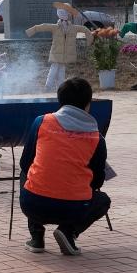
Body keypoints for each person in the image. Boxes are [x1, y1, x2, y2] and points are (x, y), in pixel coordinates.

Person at [19, 78, 110, 256]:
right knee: (103, 200)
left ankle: (36, 236)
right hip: (74, 209)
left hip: (33, 205)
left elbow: (25, 162)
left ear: (60, 101)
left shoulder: (41, 122)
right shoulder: (96, 137)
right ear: (87, 104)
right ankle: (68, 231)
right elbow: (98, 180)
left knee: (28, 172)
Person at [25, 3, 88, 91]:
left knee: (61, 69)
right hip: (57, 51)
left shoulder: (71, 27)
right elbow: (42, 27)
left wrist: (89, 36)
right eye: (67, 12)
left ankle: (60, 87)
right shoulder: (56, 27)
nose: (69, 14)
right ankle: (48, 86)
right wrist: (30, 31)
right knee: (54, 68)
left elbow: (83, 29)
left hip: (64, 52)